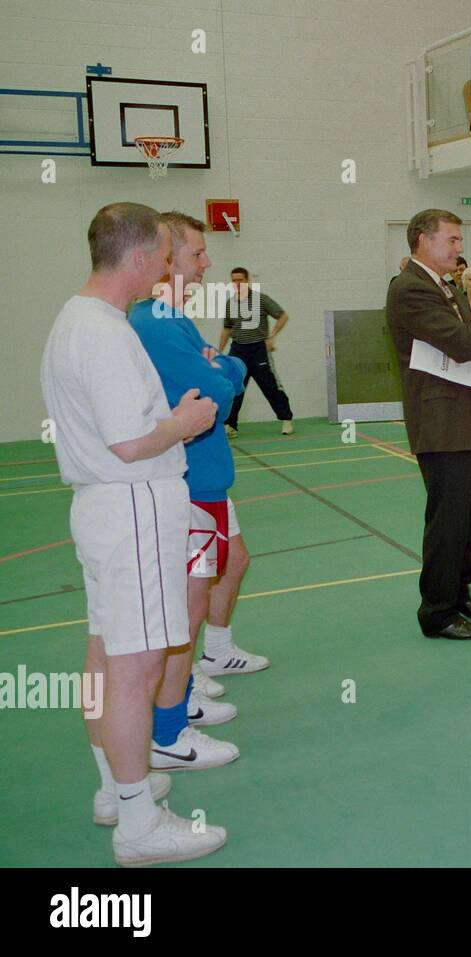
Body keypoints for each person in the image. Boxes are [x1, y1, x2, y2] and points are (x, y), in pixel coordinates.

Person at [40, 201, 226, 865]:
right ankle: (140, 824)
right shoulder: (107, 333)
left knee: (106, 652)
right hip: (132, 504)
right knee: (136, 665)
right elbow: (130, 441)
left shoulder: (76, 319)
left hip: (107, 509)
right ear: (143, 256)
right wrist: (186, 421)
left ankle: (114, 790)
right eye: (164, 253)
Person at [128, 213, 265, 759]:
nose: (207, 263)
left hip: (203, 478)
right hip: (191, 482)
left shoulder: (172, 319)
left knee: (201, 590)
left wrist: (222, 368)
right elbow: (220, 390)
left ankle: (178, 706)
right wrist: (225, 370)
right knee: (184, 608)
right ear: (165, 260)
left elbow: (221, 374)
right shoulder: (158, 323)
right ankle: (168, 730)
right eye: (196, 255)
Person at [386, 209, 471, 640]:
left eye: (459, 240)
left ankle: (457, 589)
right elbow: (463, 339)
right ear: (422, 241)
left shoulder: (447, 286)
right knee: (449, 518)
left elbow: (470, 338)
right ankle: (437, 611)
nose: (459, 248)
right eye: (451, 240)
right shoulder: (410, 289)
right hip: (441, 420)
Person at [220, 266, 294, 436]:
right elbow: (226, 329)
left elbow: (283, 316)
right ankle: (230, 425)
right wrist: (219, 350)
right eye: (234, 280)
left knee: (270, 386)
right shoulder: (231, 303)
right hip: (238, 350)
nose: (237, 283)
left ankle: (286, 419)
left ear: (247, 281)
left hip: (258, 349)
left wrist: (271, 336)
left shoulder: (261, 299)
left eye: (241, 280)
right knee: (234, 387)